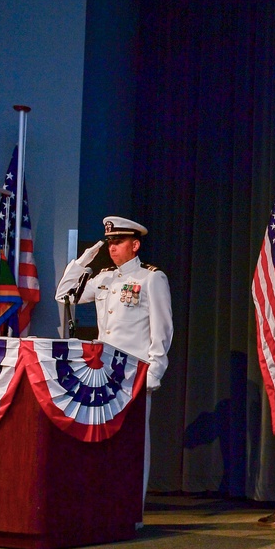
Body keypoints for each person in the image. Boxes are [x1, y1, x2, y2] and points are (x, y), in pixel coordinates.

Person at [55, 216, 173, 523]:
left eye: (118, 242)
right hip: (104, 374)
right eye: (109, 242)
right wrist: (82, 262)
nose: (112, 248)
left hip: (134, 374)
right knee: (104, 440)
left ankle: (133, 509)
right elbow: (65, 295)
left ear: (134, 245)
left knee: (134, 442)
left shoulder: (151, 279)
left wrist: (155, 371)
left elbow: (162, 330)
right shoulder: (105, 278)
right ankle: (105, 507)